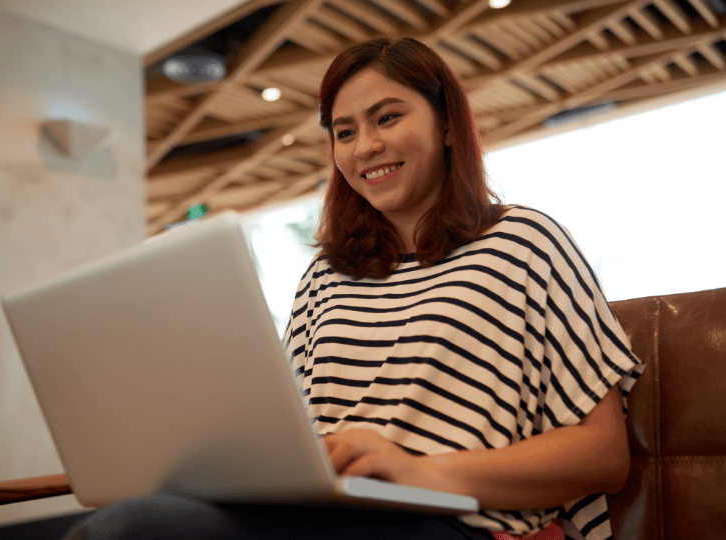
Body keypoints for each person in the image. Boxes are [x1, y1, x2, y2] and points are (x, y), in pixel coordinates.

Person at [64, 37, 643, 540]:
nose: (364, 146)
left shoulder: (524, 241)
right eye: (345, 131)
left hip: (454, 523)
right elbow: (287, 432)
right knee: (130, 524)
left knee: (142, 532)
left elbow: (603, 455)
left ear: (445, 124)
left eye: (387, 118)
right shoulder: (325, 275)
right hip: (321, 513)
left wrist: (423, 473)